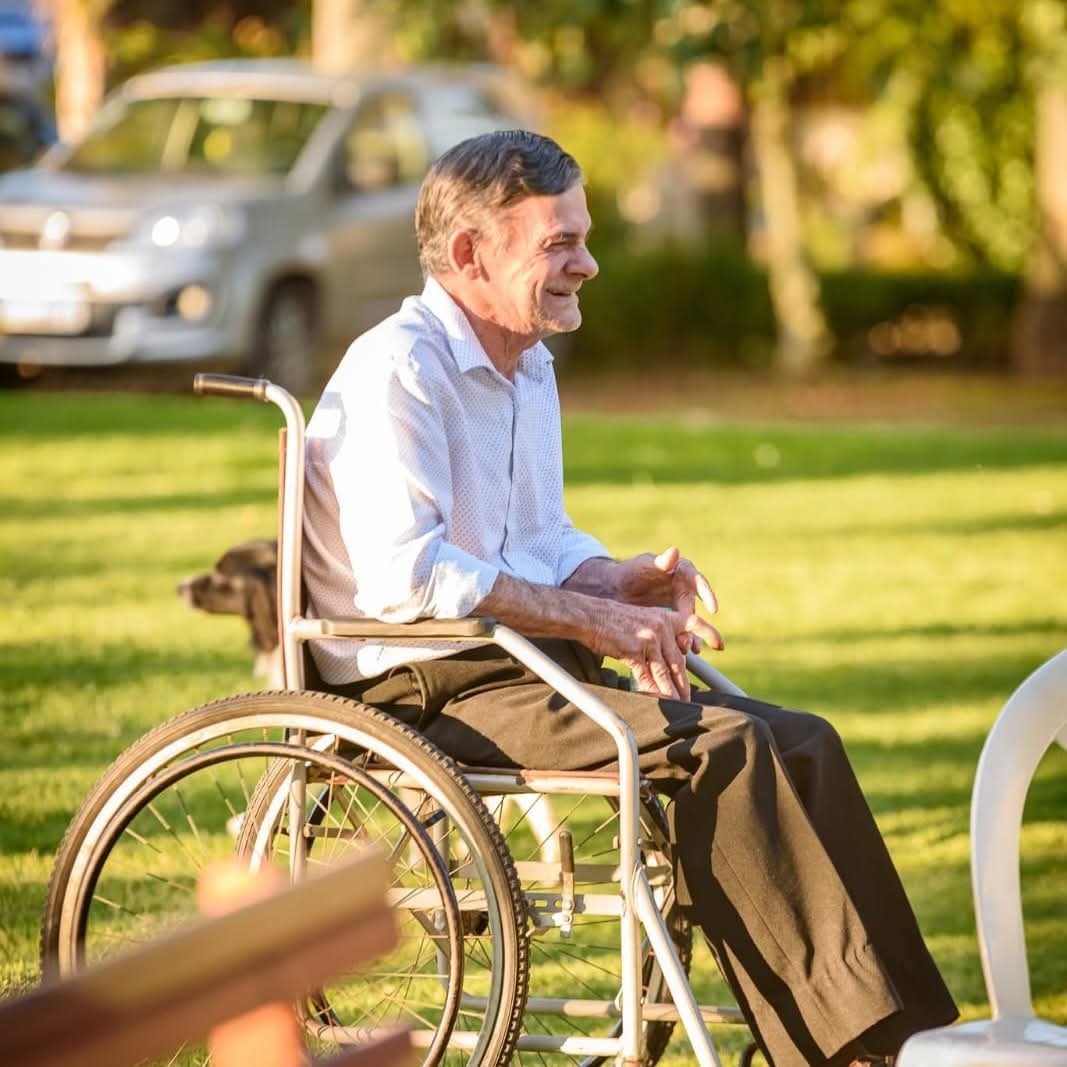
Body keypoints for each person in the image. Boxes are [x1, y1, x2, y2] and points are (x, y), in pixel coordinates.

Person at [301, 130, 958, 1067]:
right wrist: (591, 618)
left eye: (584, 235)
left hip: (507, 659)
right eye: (558, 243)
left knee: (803, 738)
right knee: (720, 751)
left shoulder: (526, 362)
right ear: (469, 255)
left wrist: (612, 578)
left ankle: (917, 1038)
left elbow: (536, 539)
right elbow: (406, 576)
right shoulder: (398, 370)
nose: (587, 263)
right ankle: (839, 1049)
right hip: (421, 679)